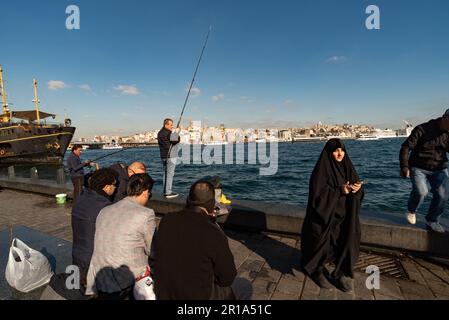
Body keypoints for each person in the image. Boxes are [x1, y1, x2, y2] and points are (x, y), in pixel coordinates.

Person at [154, 180, 237, 300]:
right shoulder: (213, 232)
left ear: (188, 200)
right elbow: (227, 278)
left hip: (165, 293)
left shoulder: (167, 220)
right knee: (243, 286)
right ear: (212, 204)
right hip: (195, 295)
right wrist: (212, 224)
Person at [300, 139, 364, 292]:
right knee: (320, 243)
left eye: (342, 150)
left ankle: (341, 272)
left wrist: (357, 189)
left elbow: (358, 190)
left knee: (346, 240)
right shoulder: (321, 170)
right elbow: (318, 195)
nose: (340, 153)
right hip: (325, 215)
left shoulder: (348, 167)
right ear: (329, 152)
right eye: (336, 151)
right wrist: (341, 190)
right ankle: (316, 271)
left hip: (344, 215)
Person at [85, 173, 156, 299]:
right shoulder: (146, 214)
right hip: (124, 280)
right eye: (150, 194)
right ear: (145, 192)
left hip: (99, 277)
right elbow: (153, 250)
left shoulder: (105, 210)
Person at [400, 109, 449, 233]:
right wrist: (404, 167)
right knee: (422, 191)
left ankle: (432, 220)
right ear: (444, 118)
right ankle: (411, 210)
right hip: (419, 167)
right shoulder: (422, 129)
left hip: (439, 168)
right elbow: (406, 147)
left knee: (443, 195)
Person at [71, 168, 118, 288]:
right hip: (95, 263)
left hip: (77, 257)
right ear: (106, 187)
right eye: (114, 185)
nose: (116, 188)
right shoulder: (104, 207)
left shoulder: (81, 199)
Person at [157, 118, 180, 198]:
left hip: (163, 156)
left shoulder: (159, 133)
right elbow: (176, 141)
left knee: (165, 174)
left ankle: (165, 191)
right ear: (166, 124)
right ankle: (168, 193)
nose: (172, 126)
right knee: (170, 174)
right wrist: (176, 132)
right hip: (170, 156)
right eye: (171, 124)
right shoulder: (169, 133)